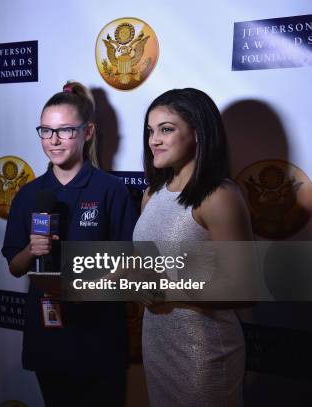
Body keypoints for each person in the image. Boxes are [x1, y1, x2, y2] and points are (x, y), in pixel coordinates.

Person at [2, 81, 139, 407]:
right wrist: (30, 251)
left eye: (64, 130)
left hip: (100, 338)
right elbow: (15, 266)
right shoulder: (29, 194)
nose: (53, 141)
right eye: (46, 131)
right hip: (48, 340)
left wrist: (86, 289)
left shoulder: (111, 190)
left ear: (87, 132)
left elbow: (132, 265)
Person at [133, 88, 253, 406]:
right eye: (150, 131)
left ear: (198, 133)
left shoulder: (219, 196)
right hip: (157, 343)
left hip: (204, 352)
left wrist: (167, 289)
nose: (153, 140)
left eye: (166, 129)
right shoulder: (151, 194)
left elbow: (243, 286)